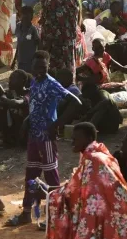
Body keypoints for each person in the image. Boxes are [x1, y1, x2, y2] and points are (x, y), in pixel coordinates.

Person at [7, 51, 81, 227]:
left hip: (46, 138)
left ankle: (56, 217)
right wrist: (27, 121)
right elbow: (35, 106)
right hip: (34, 136)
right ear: (32, 67)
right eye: (37, 67)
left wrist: (56, 125)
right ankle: (26, 213)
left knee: (51, 177)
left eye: (43, 67)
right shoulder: (34, 82)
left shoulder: (52, 84)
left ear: (48, 67)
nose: (39, 70)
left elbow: (76, 103)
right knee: (31, 175)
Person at [38, 0, 81, 74]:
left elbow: (76, 4)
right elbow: (45, 4)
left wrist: (79, 23)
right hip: (51, 28)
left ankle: (68, 80)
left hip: (67, 28)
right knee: (52, 57)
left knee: (67, 56)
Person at [11, 6, 40, 72]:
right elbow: (19, 44)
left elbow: (39, 44)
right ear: (21, 16)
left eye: (28, 17)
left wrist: (38, 61)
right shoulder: (18, 26)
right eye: (24, 16)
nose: (26, 19)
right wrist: (14, 60)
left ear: (31, 17)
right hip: (20, 60)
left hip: (30, 62)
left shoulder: (33, 30)